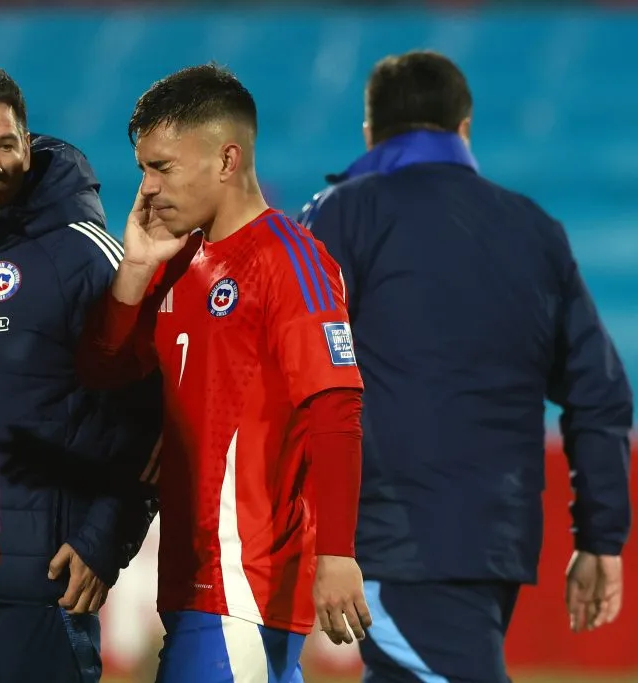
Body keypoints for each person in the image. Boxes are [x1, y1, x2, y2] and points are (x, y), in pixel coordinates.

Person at [298, 50, 633, 683]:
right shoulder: (536, 229)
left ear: (370, 134)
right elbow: (601, 394)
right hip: (494, 542)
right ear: (465, 129)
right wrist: (601, 537)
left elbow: (284, 362)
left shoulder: (342, 215)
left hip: (397, 536)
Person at [75, 64, 372, 683]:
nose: (148, 188)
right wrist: (133, 270)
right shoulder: (176, 259)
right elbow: (103, 372)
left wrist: (339, 552)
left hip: (242, 584)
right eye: (142, 170)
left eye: (163, 167)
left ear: (227, 159)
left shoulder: (291, 262)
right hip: (195, 583)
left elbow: (336, 409)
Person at [0, 63, 162, 683]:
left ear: (27, 143)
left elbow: (150, 415)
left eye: (6, 144)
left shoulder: (83, 255)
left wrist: (104, 539)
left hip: (36, 590)